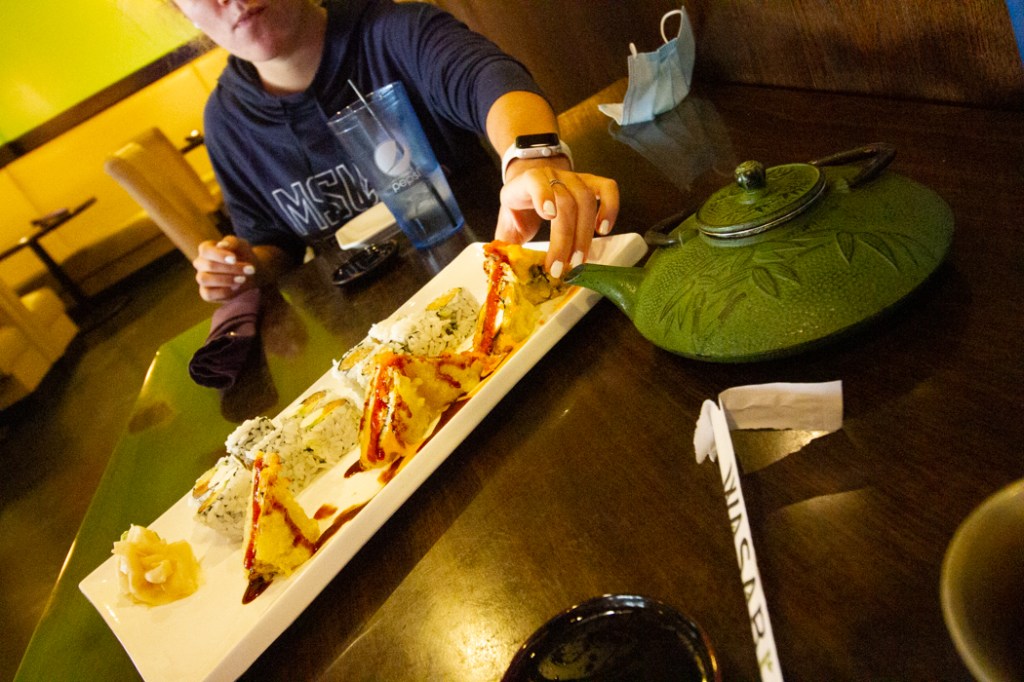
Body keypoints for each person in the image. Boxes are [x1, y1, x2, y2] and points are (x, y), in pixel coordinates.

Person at [172, 0, 620, 302]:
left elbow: (485, 78)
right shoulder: (226, 122)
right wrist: (244, 266)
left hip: (507, 275)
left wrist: (533, 158)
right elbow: (273, 242)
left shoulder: (392, 29)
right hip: (375, 328)